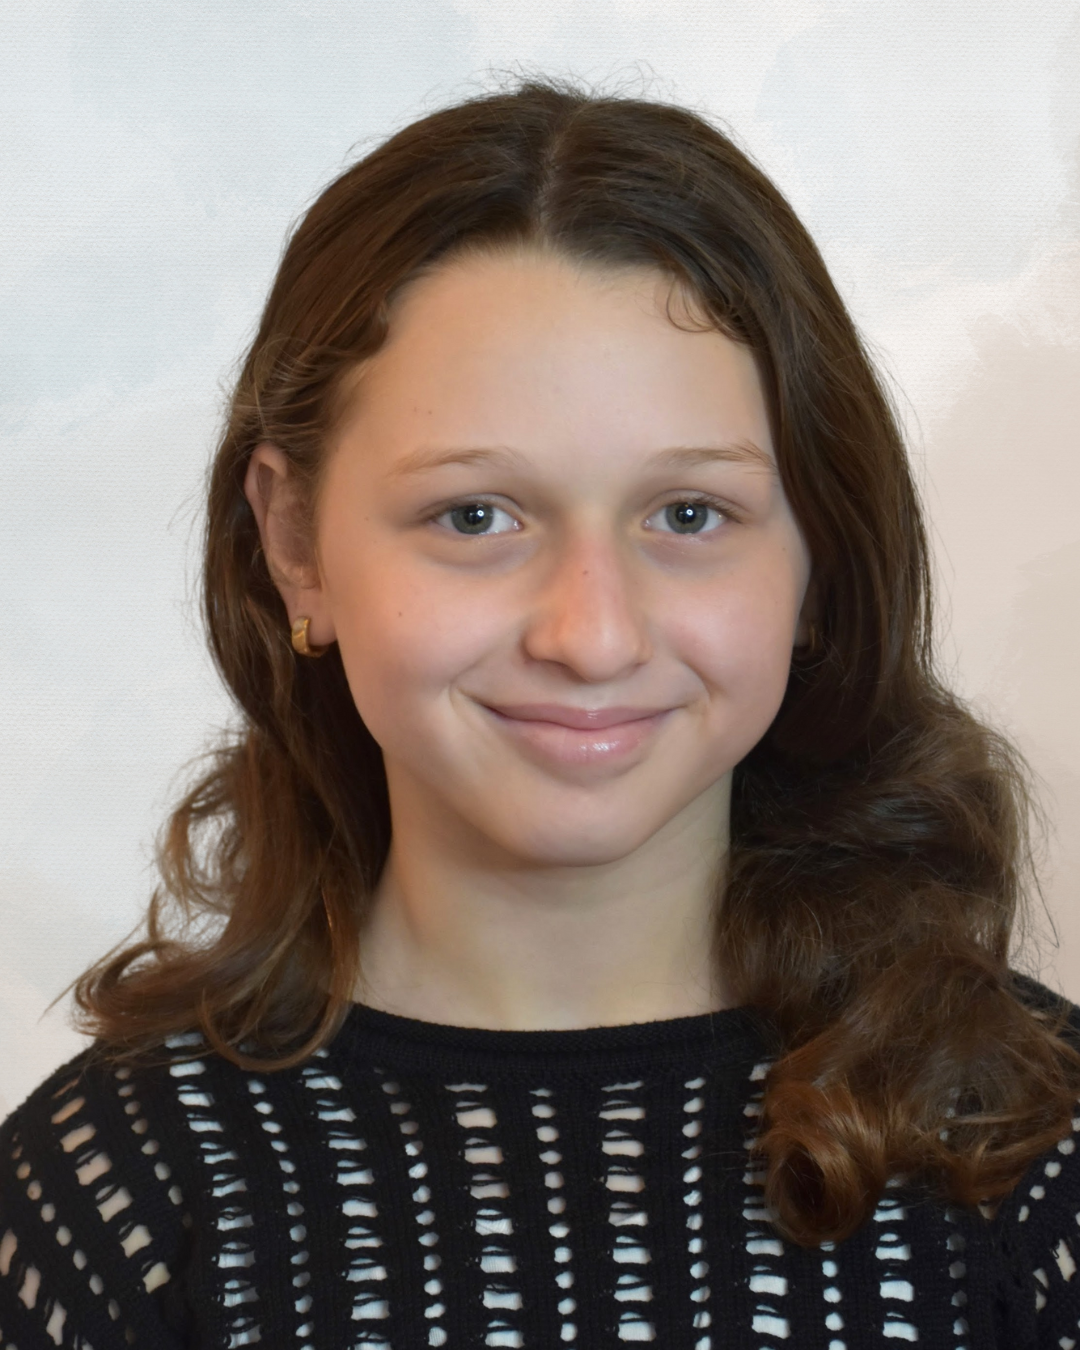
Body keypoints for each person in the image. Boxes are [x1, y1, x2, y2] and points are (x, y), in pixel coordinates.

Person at [1, 76, 1078, 1350]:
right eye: (475, 517)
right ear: (296, 542)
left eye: (689, 515)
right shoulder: (118, 1187)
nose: (592, 633)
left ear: (818, 562)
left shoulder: (1031, 1148)